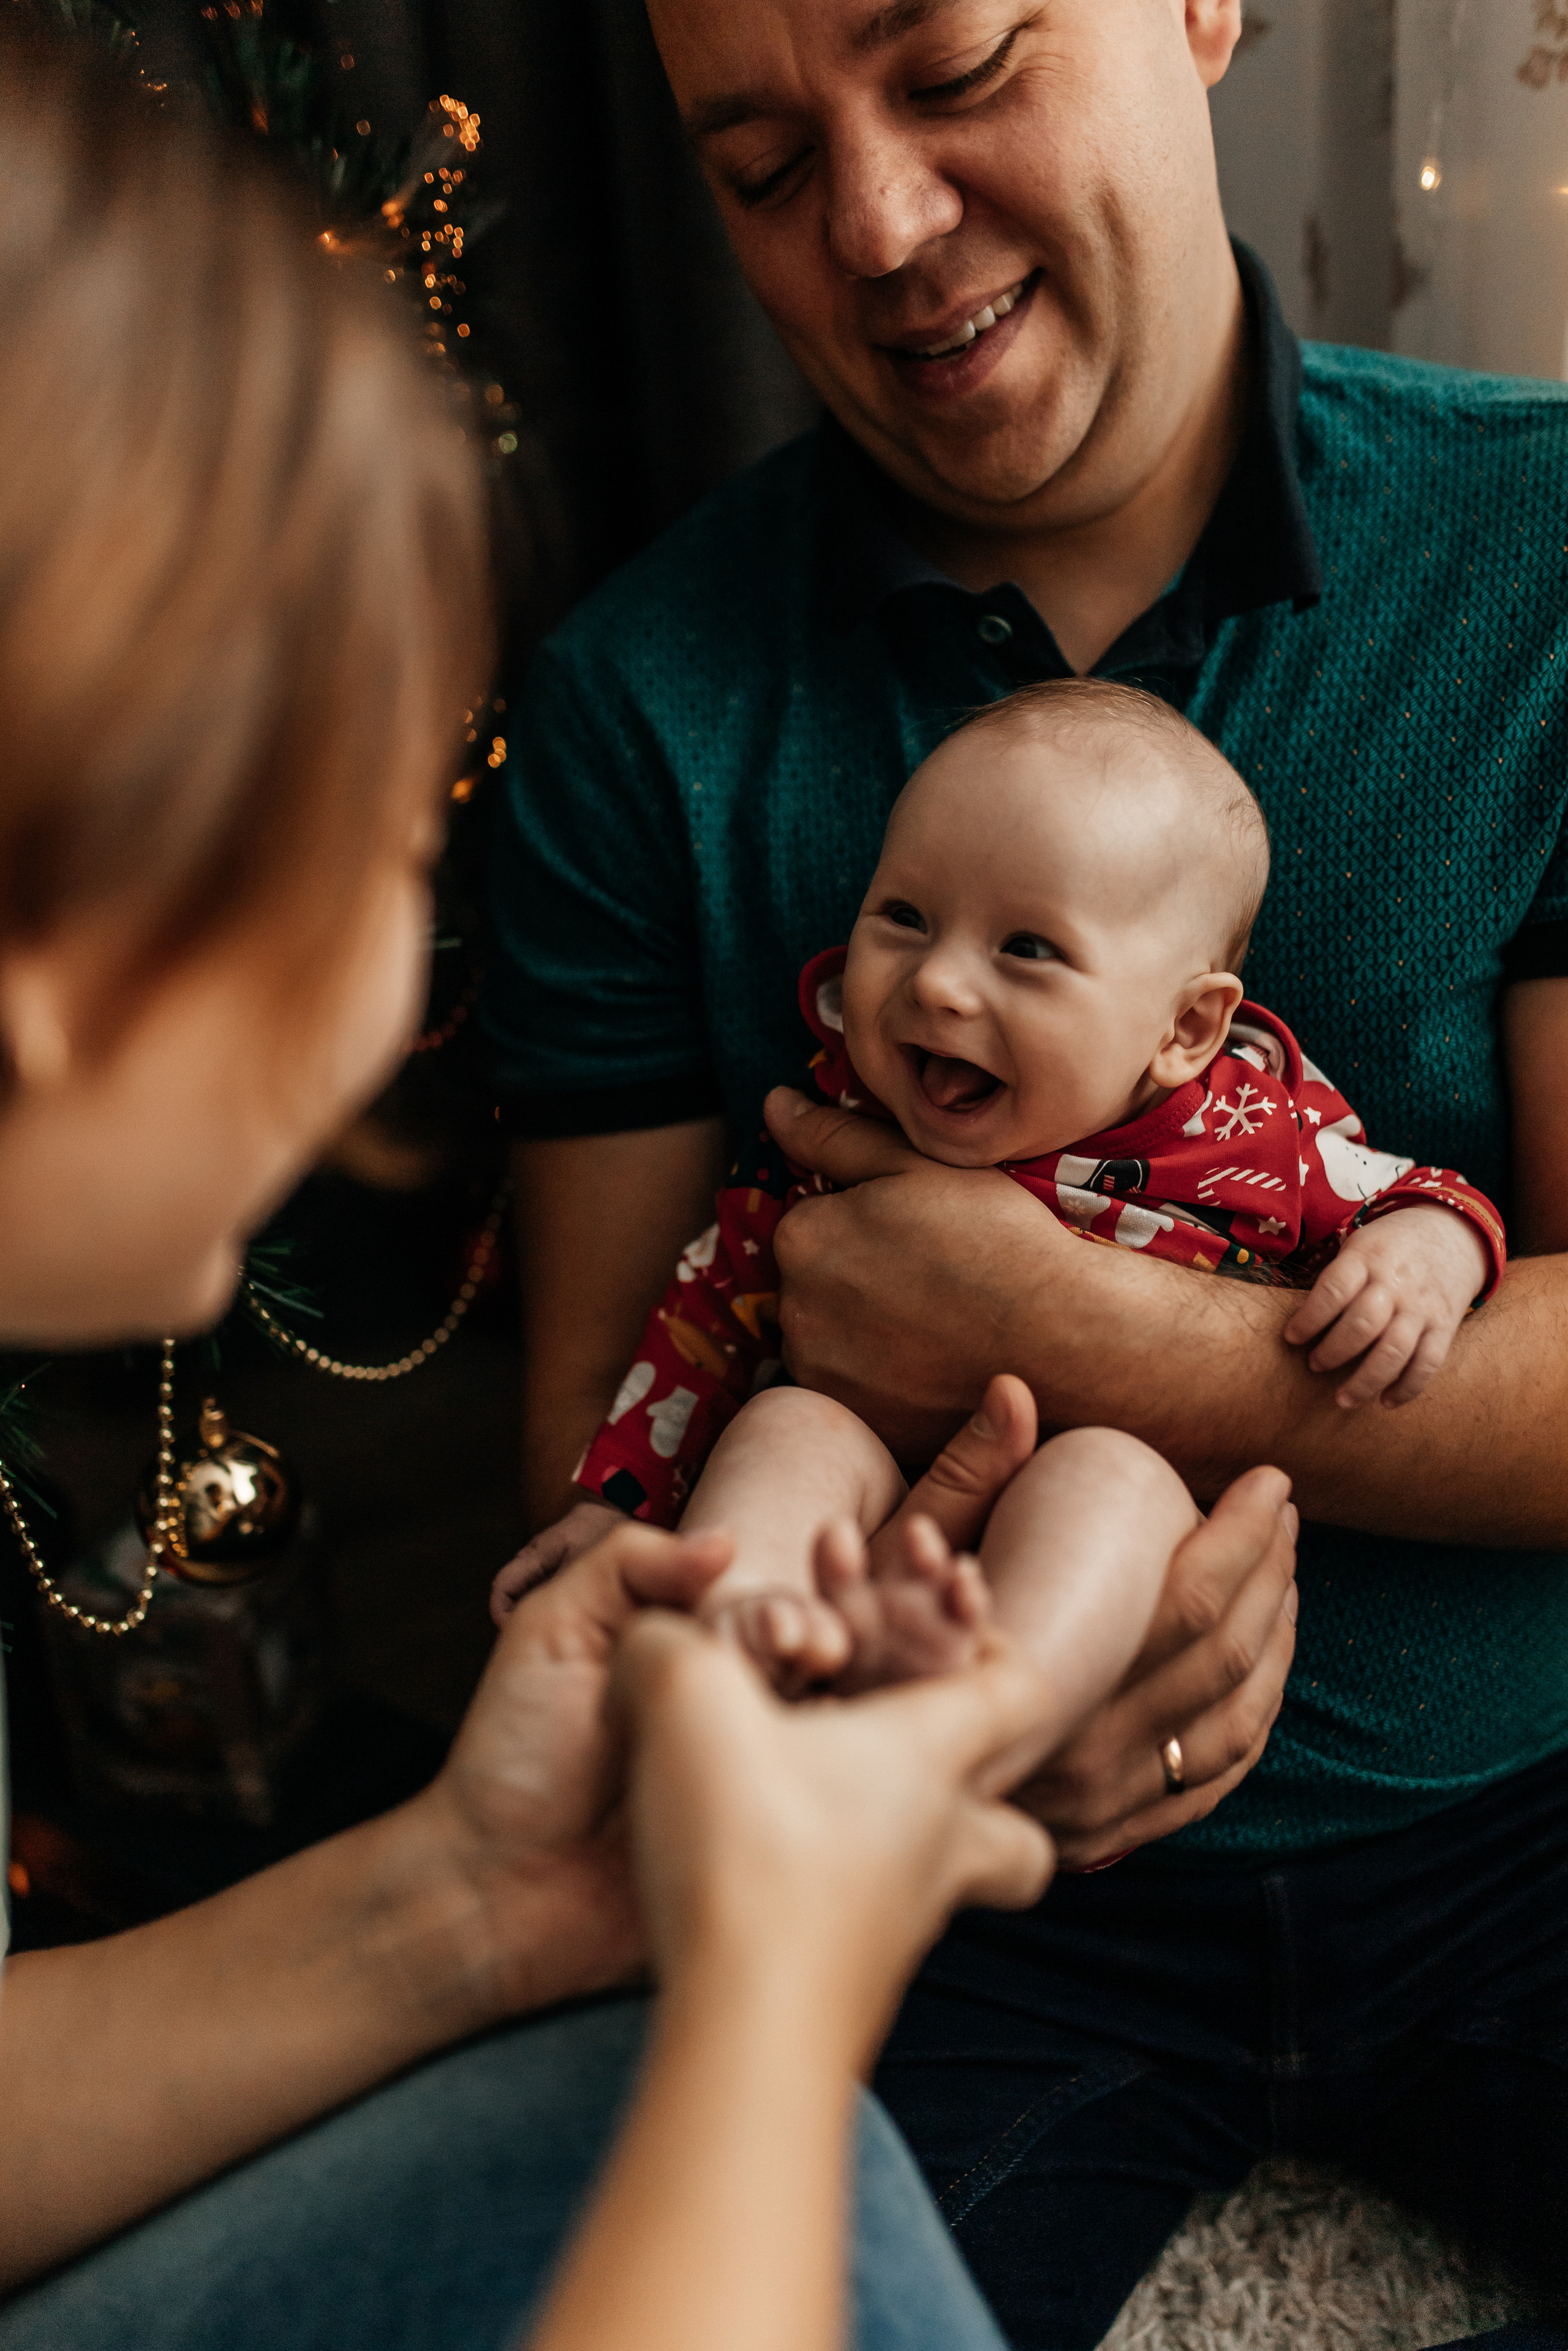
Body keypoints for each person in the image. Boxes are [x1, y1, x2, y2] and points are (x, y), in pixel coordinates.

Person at [0, 31, 1307, 2350]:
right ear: (57, 1004)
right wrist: (772, 2012)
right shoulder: (662, 698)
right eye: (384, 853)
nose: (418, 975)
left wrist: (462, 1908)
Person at [479, 0, 1568, 2338]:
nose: (876, 226)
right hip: (962, 1915)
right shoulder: (637, 712)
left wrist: (1072, 1338)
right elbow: (603, 1479)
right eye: (761, 168)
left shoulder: (1543, 553)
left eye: (958, 65)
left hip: (1531, 1820)